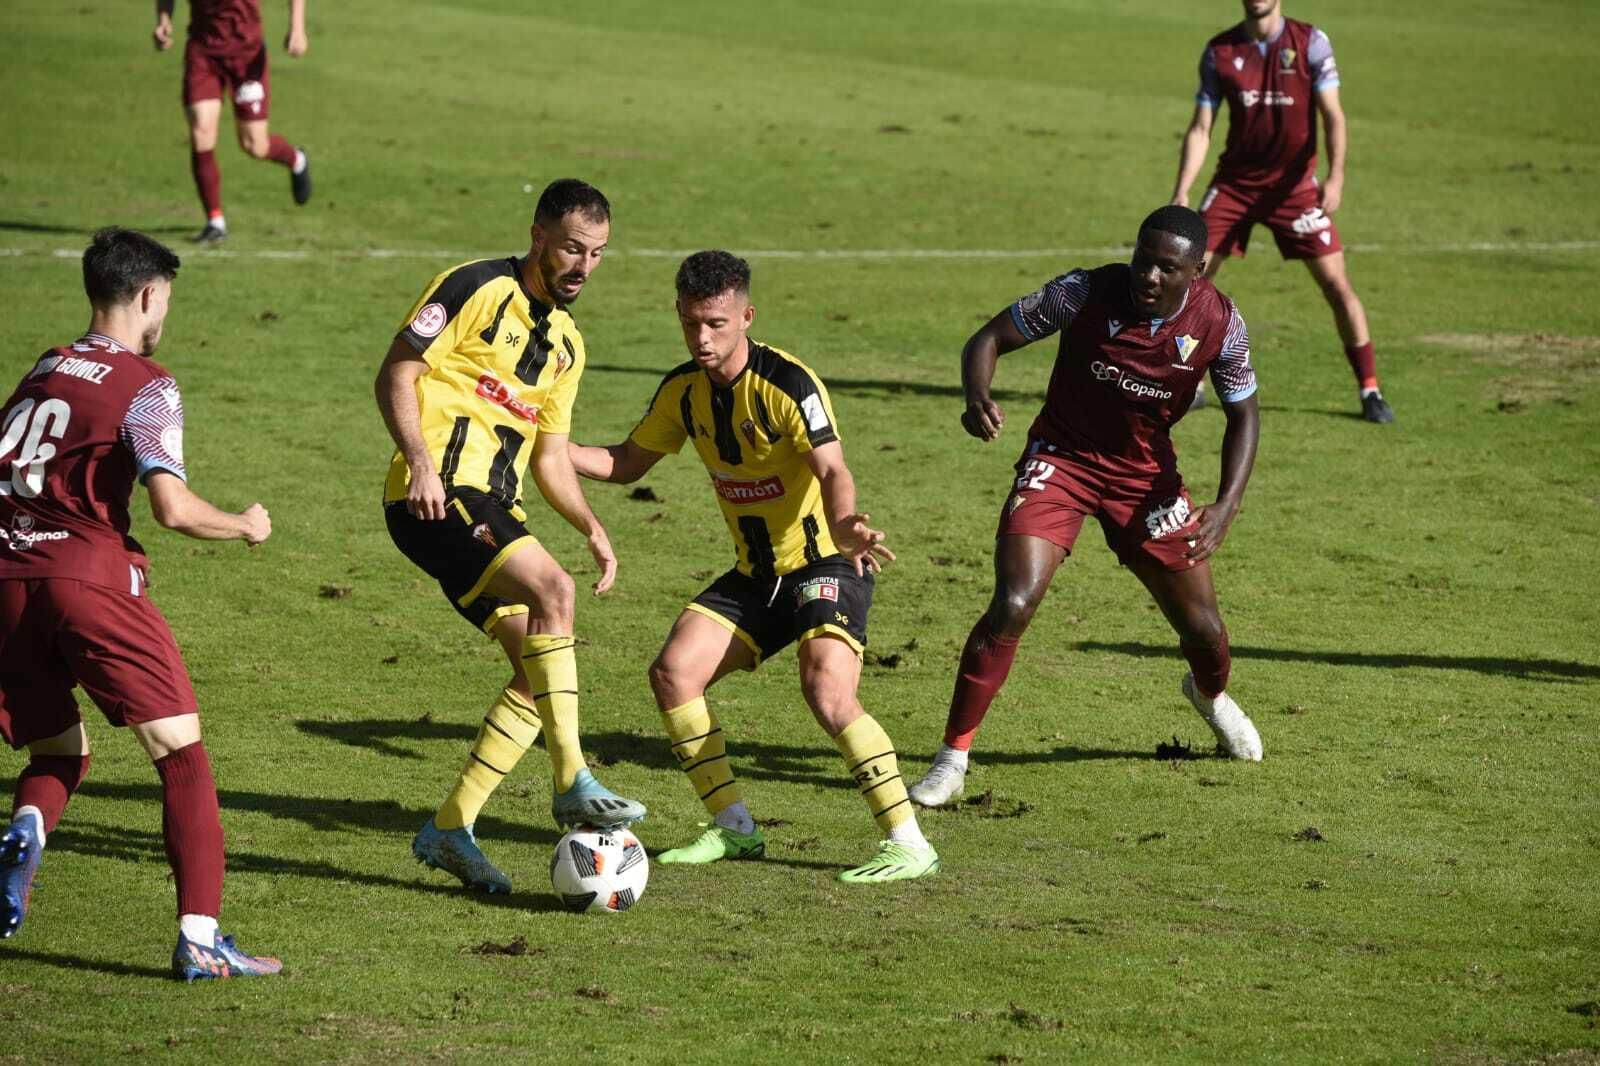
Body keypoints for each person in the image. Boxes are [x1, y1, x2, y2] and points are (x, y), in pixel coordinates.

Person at [569, 250, 939, 884]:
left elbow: (833, 469)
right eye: (691, 323)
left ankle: (909, 842)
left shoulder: (789, 384)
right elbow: (628, 462)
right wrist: (547, 446)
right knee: (673, 674)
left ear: (746, 315)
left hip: (827, 560)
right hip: (756, 576)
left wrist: (848, 523)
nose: (703, 338)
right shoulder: (683, 392)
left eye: (716, 323)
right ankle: (735, 830)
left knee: (826, 688)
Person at [908, 206, 1265, 809]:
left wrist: (1228, 503)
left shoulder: (1221, 323)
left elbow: (1244, 414)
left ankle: (1210, 697)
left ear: (1197, 270)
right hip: (1063, 461)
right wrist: (977, 395)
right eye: (1142, 260)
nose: (1148, 277)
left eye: (1166, 268)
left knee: (1203, 630)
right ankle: (952, 758)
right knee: (1014, 602)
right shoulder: (1083, 292)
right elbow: (990, 337)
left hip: (1145, 481)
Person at [0, 228, 281, 981]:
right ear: (150, 294)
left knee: (60, 750)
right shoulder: (147, 383)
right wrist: (245, 525)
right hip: (87, 579)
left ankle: (26, 830)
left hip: (5, 580)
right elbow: (173, 508)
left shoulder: (45, 367)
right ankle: (199, 937)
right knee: (182, 754)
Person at [376, 179, 644, 896]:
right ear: (537, 236)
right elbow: (398, 368)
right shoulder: (472, 287)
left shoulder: (567, 345)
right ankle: (571, 781)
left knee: (535, 667)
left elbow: (551, 456)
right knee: (554, 591)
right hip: (434, 495)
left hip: (497, 507)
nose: (583, 265)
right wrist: (422, 464)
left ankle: (451, 828)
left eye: (596, 253)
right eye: (571, 249)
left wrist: (591, 525)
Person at [1171, 0, 1393, 424]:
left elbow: (1333, 115)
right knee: (1192, 278)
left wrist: (1337, 177)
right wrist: (1182, 190)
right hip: (1234, 185)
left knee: (1336, 284)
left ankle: (1370, 389)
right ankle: (1187, 383)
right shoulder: (1219, 51)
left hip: (1295, 189)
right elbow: (1201, 127)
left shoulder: (1310, 43)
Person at [153, 0, 313, 244]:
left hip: (246, 54)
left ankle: (296, 159)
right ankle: (215, 222)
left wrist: (297, 27)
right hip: (203, 52)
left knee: (254, 145)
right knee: (201, 132)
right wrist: (164, 20)